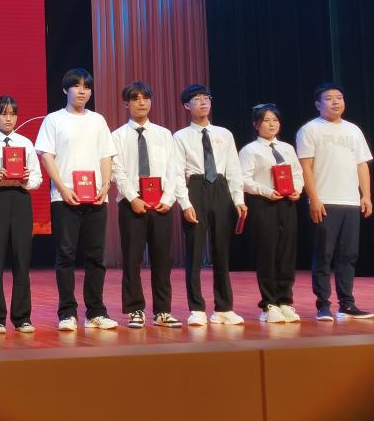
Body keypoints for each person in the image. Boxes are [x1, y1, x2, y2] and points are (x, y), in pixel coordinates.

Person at [34, 68, 118, 332]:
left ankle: (96, 312)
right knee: (66, 256)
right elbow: (46, 156)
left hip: (97, 198)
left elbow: (106, 155)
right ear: (65, 89)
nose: (82, 91)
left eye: (87, 87)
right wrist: (62, 188)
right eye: (77, 86)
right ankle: (67, 313)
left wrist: (105, 186)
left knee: (96, 256)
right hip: (64, 197)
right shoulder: (54, 120)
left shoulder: (98, 120)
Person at [296, 84, 374, 321]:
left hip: (350, 201)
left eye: (339, 97)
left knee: (349, 255)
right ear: (317, 104)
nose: (335, 102)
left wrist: (366, 195)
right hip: (325, 201)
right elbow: (306, 167)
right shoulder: (309, 130)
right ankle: (323, 305)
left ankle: (347, 304)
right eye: (329, 98)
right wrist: (313, 199)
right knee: (323, 255)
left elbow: (362, 164)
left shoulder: (354, 130)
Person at [111, 81, 184, 329]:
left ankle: (163, 311)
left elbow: (174, 168)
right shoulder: (117, 136)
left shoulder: (164, 134)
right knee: (132, 259)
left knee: (162, 260)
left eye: (145, 98)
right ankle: (135, 310)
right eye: (135, 98)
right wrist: (133, 197)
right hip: (131, 204)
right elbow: (117, 171)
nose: (141, 102)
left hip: (161, 203)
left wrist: (168, 199)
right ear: (127, 104)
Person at [173, 84, 248, 326]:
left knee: (222, 251)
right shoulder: (180, 136)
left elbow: (234, 168)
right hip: (196, 186)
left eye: (206, 98)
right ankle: (196, 309)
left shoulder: (224, 134)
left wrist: (238, 199)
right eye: (197, 99)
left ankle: (224, 308)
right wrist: (185, 203)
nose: (203, 102)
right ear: (187, 105)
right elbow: (176, 172)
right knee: (194, 252)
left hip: (221, 187)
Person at [0, 95, 43, 334]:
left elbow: (37, 177)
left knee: (22, 258)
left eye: (12, 114)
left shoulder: (25, 143)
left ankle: (22, 316)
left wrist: (27, 180)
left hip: (21, 199)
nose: (8, 118)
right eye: (3, 113)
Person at [239, 104, 304, 323]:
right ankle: (269, 304)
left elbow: (297, 173)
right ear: (256, 124)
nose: (272, 124)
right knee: (267, 253)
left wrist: (297, 189)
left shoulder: (287, 148)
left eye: (275, 120)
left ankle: (285, 301)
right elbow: (243, 179)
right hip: (263, 204)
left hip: (287, 204)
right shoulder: (250, 150)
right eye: (266, 120)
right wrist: (266, 191)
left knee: (287, 253)